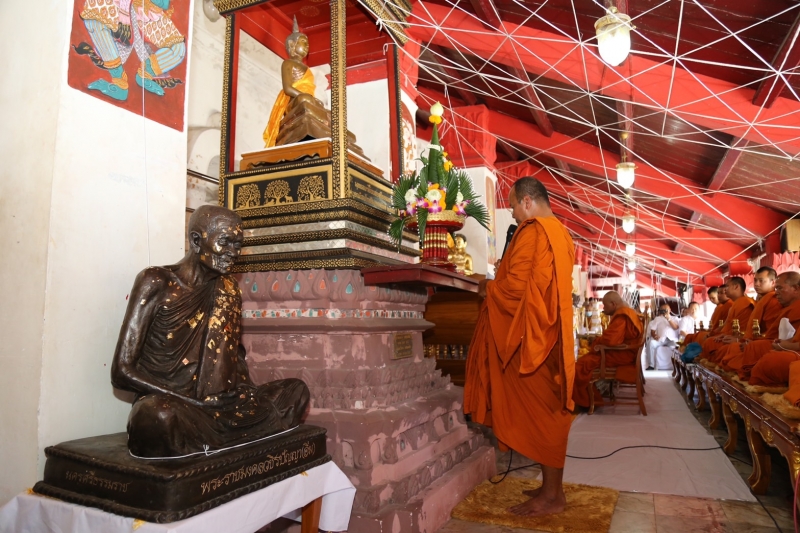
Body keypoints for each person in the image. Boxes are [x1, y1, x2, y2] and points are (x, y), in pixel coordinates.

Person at [112, 205, 310, 458]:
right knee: (157, 417)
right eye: (225, 242)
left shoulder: (228, 288)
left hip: (220, 404)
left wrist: (243, 391)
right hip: (175, 403)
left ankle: (219, 438)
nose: (234, 253)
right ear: (196, 241)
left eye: (238, 245)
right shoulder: (157, 281)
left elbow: (233, 357)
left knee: (295, 391)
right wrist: (190, 402)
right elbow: (121, 371)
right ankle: (228, 437)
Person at [464, 177, 575, 517]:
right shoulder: (563, 234)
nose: (511, 213)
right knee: (546, 411)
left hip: (531, 341)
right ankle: (549, 486)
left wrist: (488, 287)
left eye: (512, 205)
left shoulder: (535, 231)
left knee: (546, 415)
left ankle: (553, 496)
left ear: (527, 201)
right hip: (550, 335)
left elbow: (514, 291)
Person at [262, 18, 366, 158]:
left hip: (307, 100)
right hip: (295, 101)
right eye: (303, 42)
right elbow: (288, 88)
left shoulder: (307, 69)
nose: (306, 46)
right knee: (305, 100)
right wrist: (307, 98)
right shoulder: (288, 63)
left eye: (307, 44)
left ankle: (337, 130)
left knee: (331, 115)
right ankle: (323, 120)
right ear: (292, 45)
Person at [573, 291, 643, 408]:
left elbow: (611, 340)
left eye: (605, 305)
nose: (604, 308)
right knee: (584, 361)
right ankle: (588, 398)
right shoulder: (627, 312)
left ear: (613, 304)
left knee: (581, 365)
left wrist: (597, 342)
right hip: (622, 352)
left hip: (622, 355)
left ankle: (587, 401)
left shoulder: (622, 315)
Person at [737, 271, 800, 380]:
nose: (777, 292)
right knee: (752, 348)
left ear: (795, 288)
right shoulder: (786, 306)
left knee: (771, 360)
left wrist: (786, 345)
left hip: (793, 351)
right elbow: (778, 335)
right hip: (784, 345)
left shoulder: (781, 303)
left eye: (780, 288)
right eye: (776, 289)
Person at [716, 267, 781, 371]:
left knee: (731, 351)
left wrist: (742, 340)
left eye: (761, 281)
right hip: (752, 340)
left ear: (773, 282)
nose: (757, 284)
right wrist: (740, 338)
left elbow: (771, 333)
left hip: (764, 343)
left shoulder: (774, 301)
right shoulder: (762, 300)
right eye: (755, 280)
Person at [702, 277, 754, 363]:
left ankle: (717, 364)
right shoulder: (734, 304)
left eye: (727, 286)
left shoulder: (745, 303)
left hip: (741, 338)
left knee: (711, 343)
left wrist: (737, 338)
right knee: (709, 341)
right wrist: (722, 335)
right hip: (730, 336)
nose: (725, 290)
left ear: (736, 287)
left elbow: (746, 329)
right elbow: (727, 325)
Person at [646, 304, 678, 370]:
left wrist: (668, 319)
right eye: (663, 310)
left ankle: (677, 366)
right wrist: (654, 336)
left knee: (678, 346)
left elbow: (675, 327)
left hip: (672, 340)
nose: (664, 311)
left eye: (666, 310)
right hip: (661, 339)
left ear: (670, 310)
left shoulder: (675, 318)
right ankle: (651, 365)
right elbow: (653, 330)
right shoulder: (657, 319)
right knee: (651, 343)